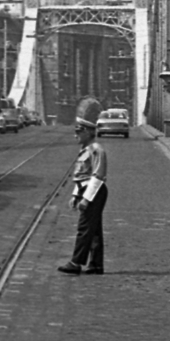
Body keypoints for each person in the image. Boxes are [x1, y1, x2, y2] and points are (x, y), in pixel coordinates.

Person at [58, 96, 108, 276]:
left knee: (84, 228)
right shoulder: (85, 150)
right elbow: (81, 176)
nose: (75, 136)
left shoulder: (96, 150)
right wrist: (74, 195)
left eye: (78, 132)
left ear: (87, 132)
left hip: (94, 192)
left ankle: (76, 263)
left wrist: (86, 199)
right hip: (85, 190)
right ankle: (95, 265)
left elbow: (98, 176)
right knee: (94, 229)